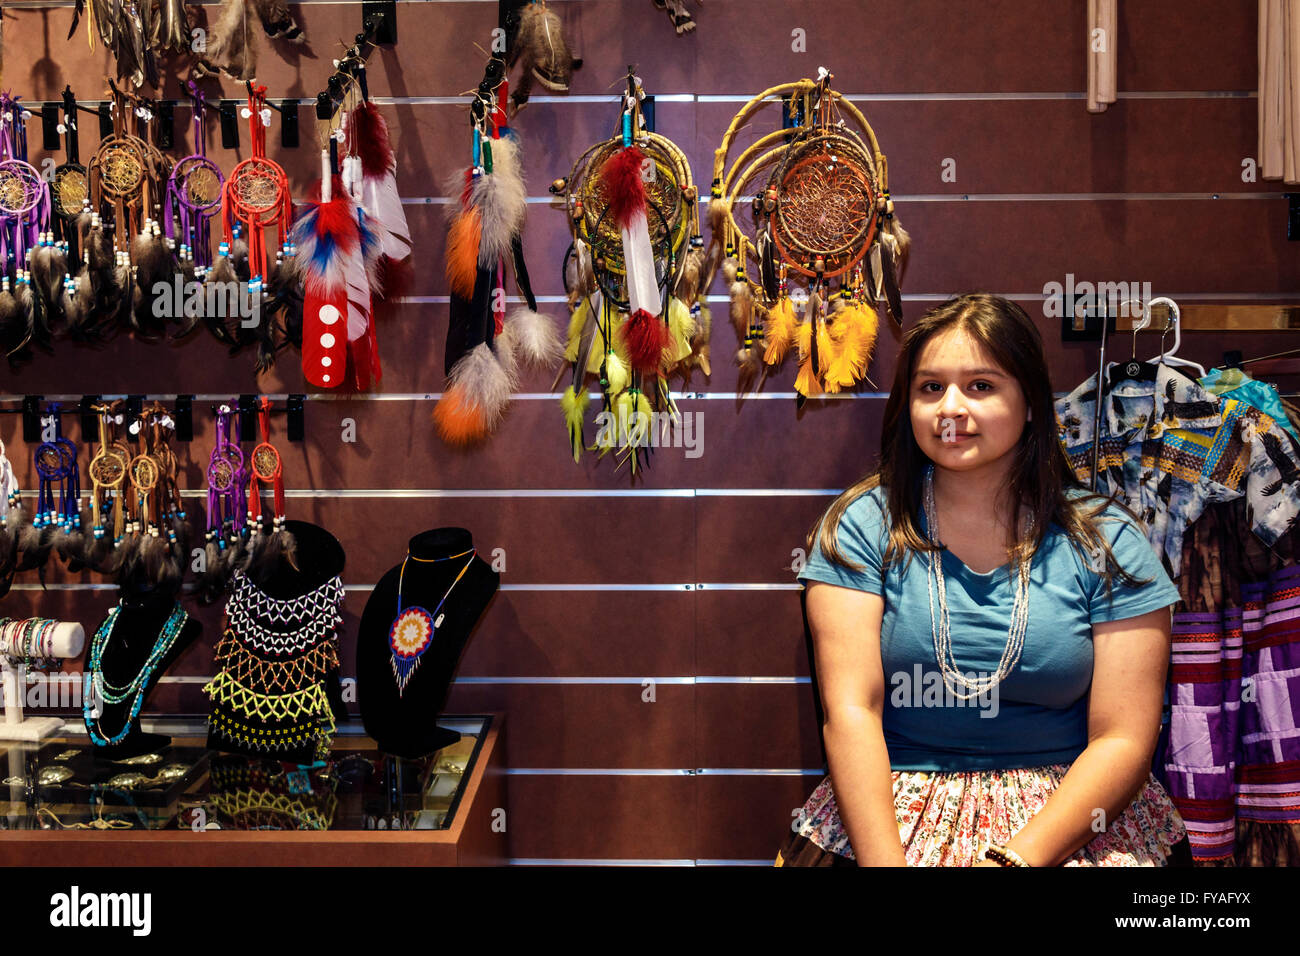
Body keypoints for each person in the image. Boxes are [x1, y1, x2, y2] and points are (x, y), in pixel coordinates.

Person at [775, 294, 1191, 867]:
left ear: (1029, 404)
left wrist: (1019, 860)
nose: (951, 408)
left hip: (1070, 828)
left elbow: (1123, 738)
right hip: (885, 826)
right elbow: (852, 711)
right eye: (930, 388)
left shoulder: (1107, 540)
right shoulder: (863, 524)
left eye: (980, 386)